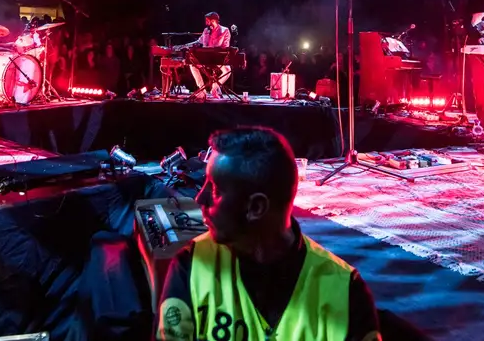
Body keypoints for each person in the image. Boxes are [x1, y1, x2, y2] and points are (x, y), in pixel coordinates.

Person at [157, 127, 381, 341]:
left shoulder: (344, 290)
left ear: (256, 208)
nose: (199, 199)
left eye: (215, 189)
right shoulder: (192, 264)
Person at [188, 12, 232, 99]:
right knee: (192, 64)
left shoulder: (225, 30)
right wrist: (184, 45)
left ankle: (215, 87)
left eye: (207, 20)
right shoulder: (206, 30)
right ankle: (202, 90)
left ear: (213, 20)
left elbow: (226, 47)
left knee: (227, 70)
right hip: (205, 58)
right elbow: (198, 41)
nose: (205, 22)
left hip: (218, 59)